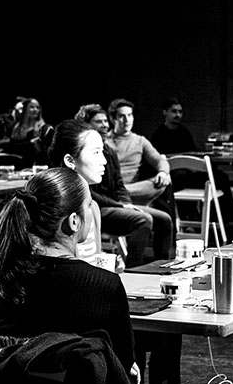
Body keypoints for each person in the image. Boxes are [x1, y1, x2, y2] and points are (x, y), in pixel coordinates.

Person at [0, 166, 135, 377]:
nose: (93, 209)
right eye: (89, 204)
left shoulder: (5, 275)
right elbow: (123, 361)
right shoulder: (104, 284)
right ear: (74, 222)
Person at [76, 105, 171, 266]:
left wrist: (126, 203)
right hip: (97, 208)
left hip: (116, 205)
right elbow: (89, 193)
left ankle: (161, 264)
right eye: (99, 122)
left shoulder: (110, 152)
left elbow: (119, 184)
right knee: (143, 219)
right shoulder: (83, 153)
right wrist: (121, 205)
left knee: (164, 219)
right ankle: (135, 267)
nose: (105, 125)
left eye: (106, 120)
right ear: (86, 125)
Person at [48, 118, 111, 261]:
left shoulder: (93, 207)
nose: (104, 161)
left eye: (102, 151)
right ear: (70, 161)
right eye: (96, 153)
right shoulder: (54, 213)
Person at [104, 98, 171, 206]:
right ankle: (119, 194)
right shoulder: (104, 141)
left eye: (130, 115)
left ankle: (122, 193)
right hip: (112, 185)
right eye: (122, 116)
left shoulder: (140, 141)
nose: (127, 120)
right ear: (112, 119)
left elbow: (158, 160)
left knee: (163, 181)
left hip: (134, 188)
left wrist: (162, 172)